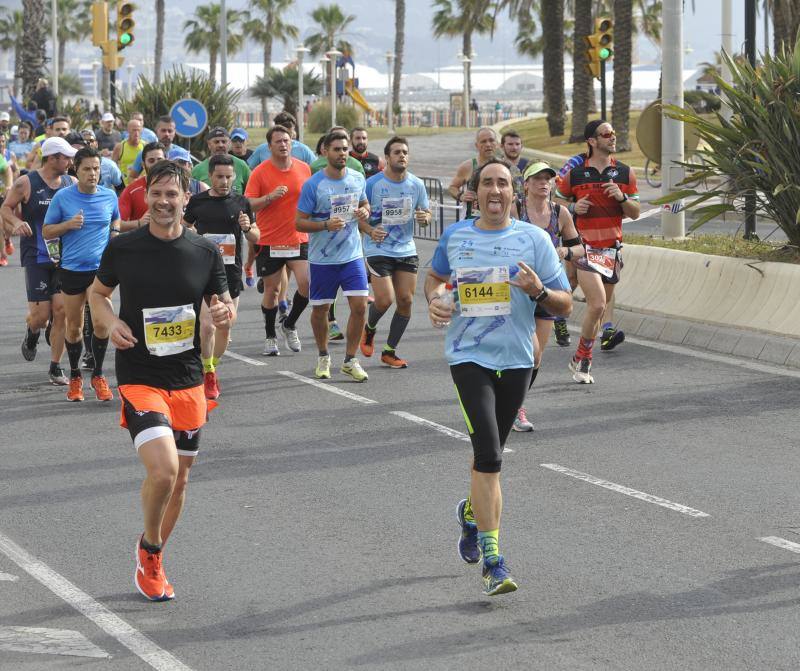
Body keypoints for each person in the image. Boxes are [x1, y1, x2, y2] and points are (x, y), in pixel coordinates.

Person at [89, 159, 235, 602]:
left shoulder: (205, 252)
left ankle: (153, 551)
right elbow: (98, 295)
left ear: (187, 199)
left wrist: (225, 319)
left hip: (188, 376)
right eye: (156, 193)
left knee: (180, 479)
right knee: (164, 469)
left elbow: (223, 319)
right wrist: (110, 322)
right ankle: (150, 550)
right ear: (145, 196)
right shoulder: (124, 248)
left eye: (173, 194)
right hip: (139, 374)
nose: (164, 202)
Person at [425, 159, 572, 596]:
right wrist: (435, 300)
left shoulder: (534, 240)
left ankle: (471, 514)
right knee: (489, 454)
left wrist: (538, 292)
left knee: (489, 457)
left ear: (515, 192)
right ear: (475, 192)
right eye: (487, 182)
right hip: (469, 358)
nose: (495, 190)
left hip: (518, 360)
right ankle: (493, 559)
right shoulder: (457, 236)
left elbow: (564, 303)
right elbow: (434, 278)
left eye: (503, 183)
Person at [555, 120, 640, 383]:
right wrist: (573, 205)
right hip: (585, 248)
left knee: (598, 310)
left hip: (612, 250)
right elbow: (557, 199)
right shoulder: (577, 174)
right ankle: (585, 358)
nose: (612, 137)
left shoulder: (626, 173)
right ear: (592, 141)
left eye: (614, 133)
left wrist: (621, 198)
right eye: (606, 134)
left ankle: (581, 355)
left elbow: (635, 213)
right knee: (598, 303)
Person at [42, 146, 120, 402]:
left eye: (96, 168)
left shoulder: (109, 196)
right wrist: (68, 225)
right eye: (87, 168)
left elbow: (115, 219)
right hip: (72, 270)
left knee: (100, 323)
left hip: (101, 271)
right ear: (76, 169)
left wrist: (115, 235)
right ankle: (75, 376)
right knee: (74, 328)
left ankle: (97, 375)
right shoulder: (63, 198)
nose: (92, 173)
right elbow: (47, 231)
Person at [513, 161, 585, 432]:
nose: (544, 183)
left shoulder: (560, 212)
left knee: (535, 356)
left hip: (548, 287)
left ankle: (516, 407)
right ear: (526, 184)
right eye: (537, 178)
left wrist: (563, 253)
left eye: (548, 179)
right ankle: (502, 397)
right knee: (517, 348)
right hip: (517, 285)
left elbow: (578, 248)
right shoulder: (516, 209)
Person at [296, 130, 371, 381]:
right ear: (325, 151)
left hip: (352, 256)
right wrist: (325, 225)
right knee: (321, 310)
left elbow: (364, 204)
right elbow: (299, 223)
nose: (342, 153)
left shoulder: (358, 178)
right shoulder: (313, 184)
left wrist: (364, 213)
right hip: (323, 259)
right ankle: (323, 355)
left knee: (359, 307)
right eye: (337, 149)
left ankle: (350, 359)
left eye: (345, 149)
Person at [0, 137, 76, 384]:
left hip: (64, 257)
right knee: (41, 317)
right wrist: (16, 222)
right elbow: (5, 208)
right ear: (52, 157)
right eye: (66, 157)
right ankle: (32, 332)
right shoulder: (26, 182)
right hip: (36, 256)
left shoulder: (71, 183)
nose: (70, 161)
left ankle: (56, 366)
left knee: (61, 310)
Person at [183, 154, 257, 399]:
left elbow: (256, 236)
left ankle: (211, 362)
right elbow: (183, 227)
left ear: (234, 176)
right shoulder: (197, 202)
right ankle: (208, 372)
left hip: (230, 273)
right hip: (202, 273)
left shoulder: (241, 202)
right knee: (207, 327)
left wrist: (248, 227)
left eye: (228, 177)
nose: (224, 181)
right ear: (210, 176)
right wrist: (191, 233)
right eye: (219, 177)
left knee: (225, 326)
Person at [359, 136, 430, 368]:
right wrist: (370, 230)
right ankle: (369, 328)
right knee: (385, 299)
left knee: (406, 300)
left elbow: (426, 214)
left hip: (406, 248)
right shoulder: (372, 185)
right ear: (387, 157)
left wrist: (424, 218)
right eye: (397, 152)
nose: (402, 155)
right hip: (378, 248)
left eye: (405, 152)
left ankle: (389, 351)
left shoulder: (417, 185)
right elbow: (356, 217)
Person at [245, 125, 312, 357]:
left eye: (287, 140)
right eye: (278, 142)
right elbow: (249, 203)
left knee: (307, 284)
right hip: (270, 240)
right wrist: (270, 197)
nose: (283, 145)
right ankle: (270, 336)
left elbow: (311, 199)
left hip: (297, 238)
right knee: (272, 291)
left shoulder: (304, 168)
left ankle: (289, 324)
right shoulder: (260, 172)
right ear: (269, 146)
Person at [448, 127, 499, 218]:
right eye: (483, 141)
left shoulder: (503, 167)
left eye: (491, 140)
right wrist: (461, 196)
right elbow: (452, 187)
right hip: (471, 222)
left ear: (497, 144)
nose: (488, 144)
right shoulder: (468, 166)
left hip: (496, 220)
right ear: (477, 145)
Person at [118, 142, 166, 231]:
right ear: (143, 165)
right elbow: (116, 224)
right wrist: (139, 223)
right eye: (151, 161)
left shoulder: (177, 187)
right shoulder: (131, 190)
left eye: (160, 160)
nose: (156, 164)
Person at [192, 127, 250, 195]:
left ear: (229, 143)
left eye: (224, 141)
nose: (220, 145)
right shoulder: (197, 170)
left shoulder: (241, 165)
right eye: (216, 142)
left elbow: (251, 194)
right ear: (209, 144)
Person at [246, 112, 315, 169]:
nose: (283, 144)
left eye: (290, 133)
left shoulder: (303, 150)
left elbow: (315, 169)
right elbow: (249, 170)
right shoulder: (261, 150)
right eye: (279, 140)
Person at [129, 116, 176, 180]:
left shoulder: (182, 154)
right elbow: (132, 177)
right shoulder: (144, 153)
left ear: (174, 132)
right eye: (163, 130)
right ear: (156, 131)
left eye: (170, 131)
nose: (167, 134)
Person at [112, 118, 145, 186]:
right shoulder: (120, 147)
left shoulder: (145, 146)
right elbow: (112, 168)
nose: (136, 133)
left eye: (138, 130)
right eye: (134, 130)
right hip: (124, 186)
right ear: (128, 131)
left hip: (141, 186)